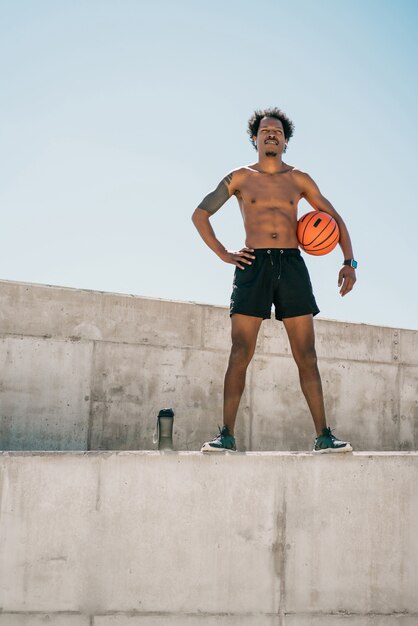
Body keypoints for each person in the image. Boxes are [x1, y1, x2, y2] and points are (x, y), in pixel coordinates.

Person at [191, 107, 357, 454]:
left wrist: (348, 261)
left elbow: (334, 218)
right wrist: (223, 253)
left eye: (277, 132)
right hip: (253, 265)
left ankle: (324, 436)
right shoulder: (238, 178)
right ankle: (227, 435)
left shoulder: (299, 179)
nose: (271, 135)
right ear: (254, 138)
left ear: (285, 140)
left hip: (291, 264)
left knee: (306, 354)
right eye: (265, 130)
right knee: (240, 351)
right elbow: (200, 213)